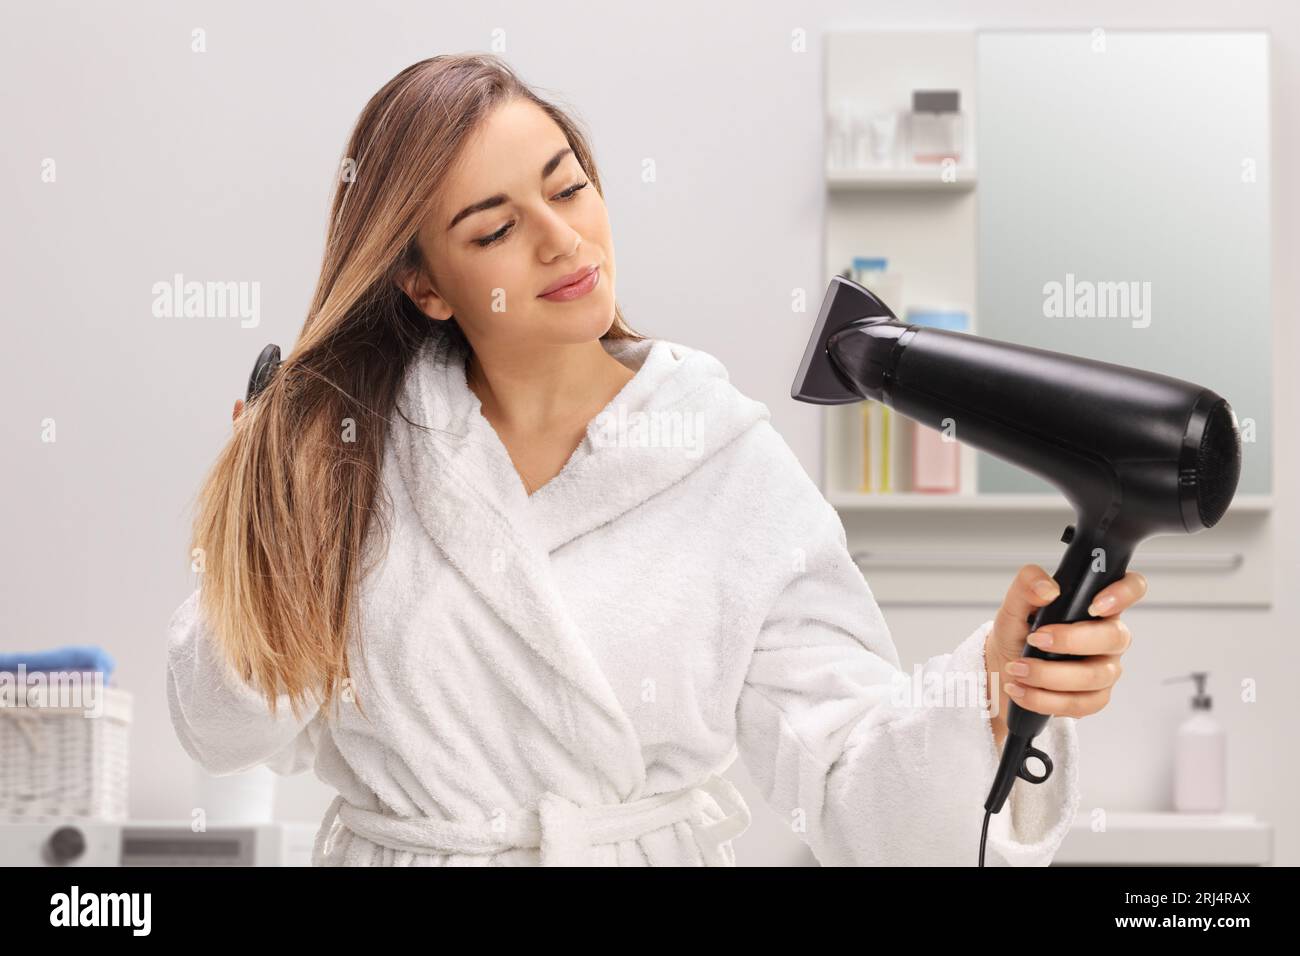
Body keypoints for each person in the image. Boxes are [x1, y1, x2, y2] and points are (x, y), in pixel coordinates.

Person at [167, 53, 1145, 866]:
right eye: (497, 227)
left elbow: (852, 787)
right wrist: (273, 535)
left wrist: (987, 684)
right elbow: (223, 732)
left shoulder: (725, 463)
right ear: (425, 283)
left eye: (568, 186)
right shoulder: (350, 456)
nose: (562, 240)